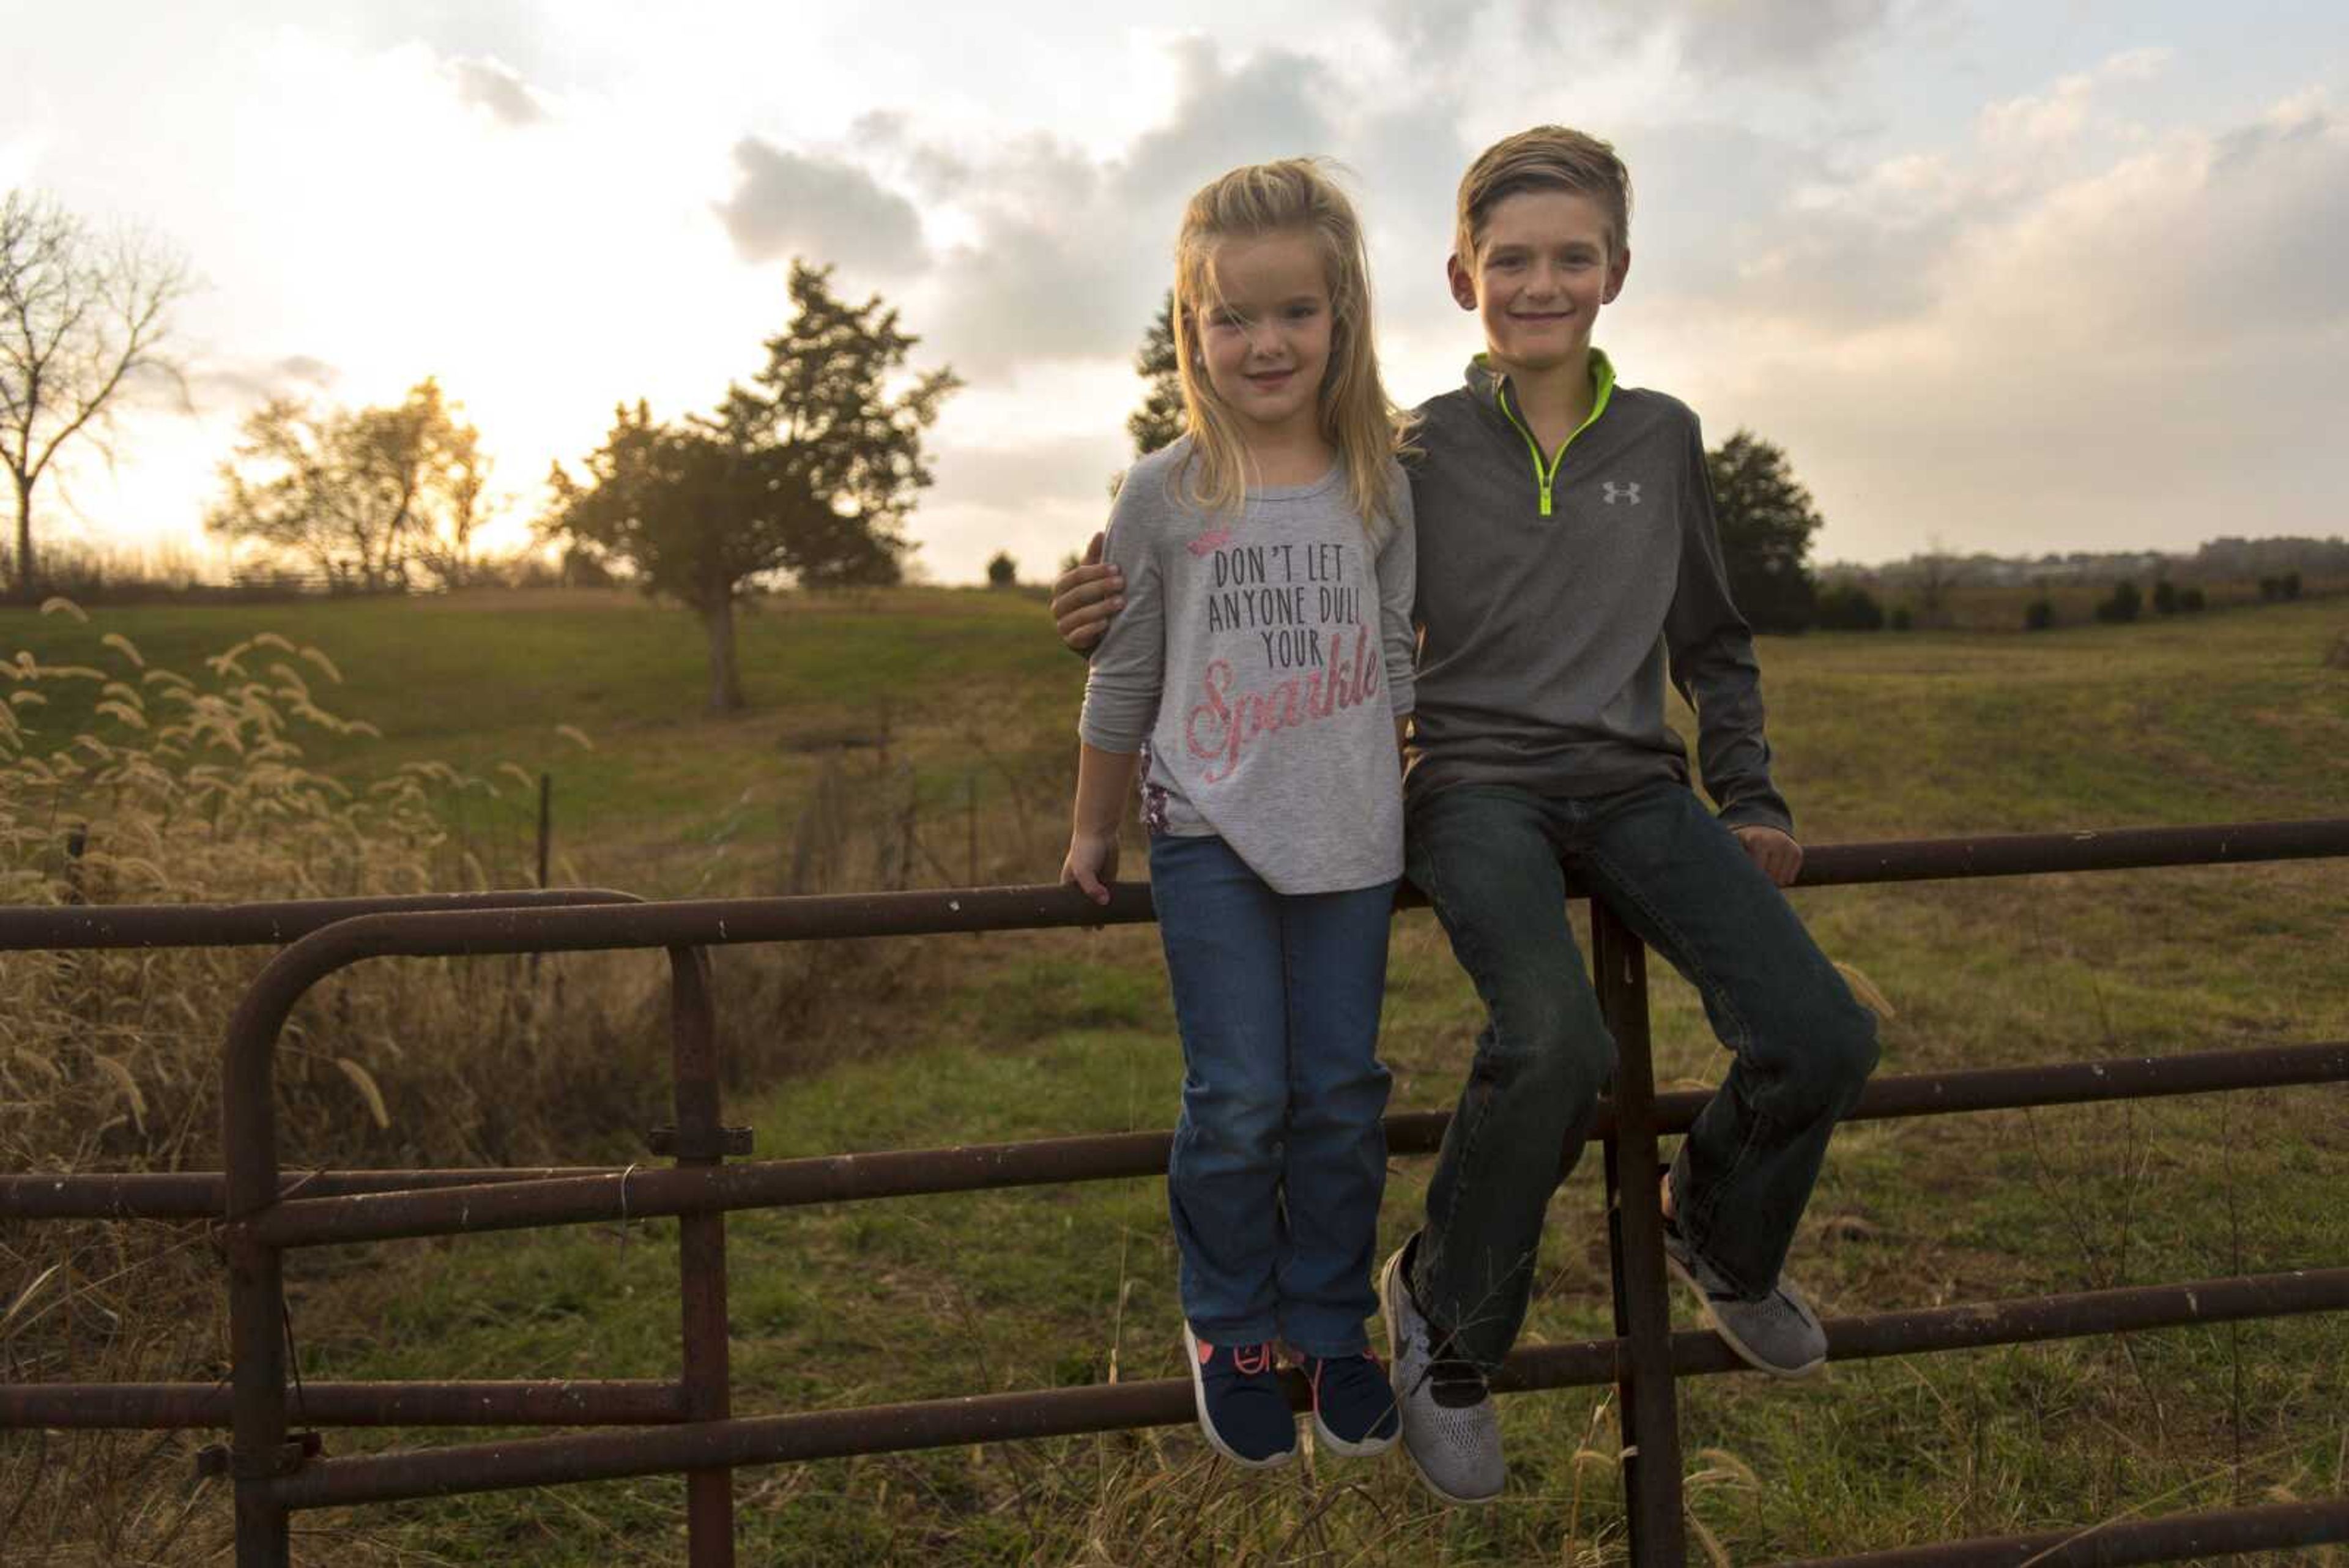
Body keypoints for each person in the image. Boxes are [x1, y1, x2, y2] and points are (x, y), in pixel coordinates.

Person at [1053, 127, 1879, 1504]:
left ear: (1617, 268)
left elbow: (1715, 638)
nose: (1541, 283)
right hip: (1469, 780)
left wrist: (1749, 788)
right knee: (1556, 1041)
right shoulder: (1410, 445)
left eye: (1572, 256)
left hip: (1631, 780)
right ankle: (1446, 1329)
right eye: (1512, 260)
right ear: (1458, 278)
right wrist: (1085, 613)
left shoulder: (1665, 436)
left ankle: (1723, 1234)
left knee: (1822, 1027)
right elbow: (1227, 552)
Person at [1062, 158, 1419, 1471]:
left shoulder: (1380, 481)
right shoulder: (1165, 491)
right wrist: (1094, 829)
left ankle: (1328, 1323)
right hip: (1207, 833)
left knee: (1338, 1094)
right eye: (1232, 317)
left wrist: (1399, 794)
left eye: (1297, 313)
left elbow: (1396, 662)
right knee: (1242, 1097)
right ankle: (1228, 1323)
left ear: (1343, 317)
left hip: (1352, 842)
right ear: (1190, 326)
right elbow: (1126, 670)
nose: (1265, 343)